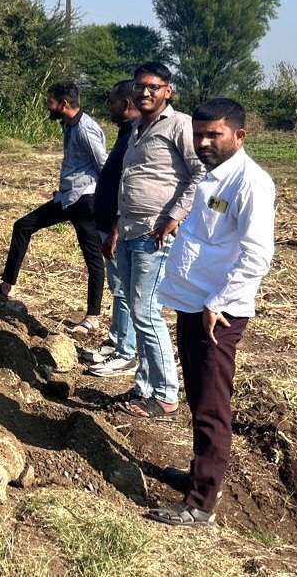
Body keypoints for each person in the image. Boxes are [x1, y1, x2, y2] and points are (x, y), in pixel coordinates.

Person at [146, 98, 274, 526]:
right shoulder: (211, 177)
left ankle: (200, 504)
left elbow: (256, 256)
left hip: (218, 311)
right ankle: (199, 474)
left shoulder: (250, 183)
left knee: (212, 406)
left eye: (213, 134)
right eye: (198, 134)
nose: (203, 142)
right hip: (193, 301)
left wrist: (219, 303)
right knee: (199, 396)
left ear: (240, 136)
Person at [112, 62, 205, 419]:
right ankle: (145, 385)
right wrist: (119, 224)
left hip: (156, 233)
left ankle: (165, 393)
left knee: (146, 311)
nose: (145, 92)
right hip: (132, 230)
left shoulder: (179, 125)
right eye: (140, 86)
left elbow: (198, 175)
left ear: (168, 90)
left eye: (153, 87)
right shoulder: (137, 127)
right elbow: (133, 179)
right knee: (138, 310)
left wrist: (173, 217)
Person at [0, 81, 107, 330]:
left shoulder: (85, 130)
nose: (48, 106)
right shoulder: (69, 125)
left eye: (51, 102)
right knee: (23, 226)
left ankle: (92, 317)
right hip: (68, 198)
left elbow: (104, 166)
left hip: (84, 200)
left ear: (64, 104)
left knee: (93, 258)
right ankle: (6, 285)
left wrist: (105, 202)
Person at [85, 80, 140, 376]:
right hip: (107, 223)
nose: (110, 107)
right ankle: (116, 340)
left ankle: (126, 352)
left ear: (127, 104)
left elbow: (128, 184)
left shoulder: (135, 134)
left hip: (118, 226)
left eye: (113, 102)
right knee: (117, 287)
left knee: (123, 291)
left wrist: (117, 225)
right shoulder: (125, 133)